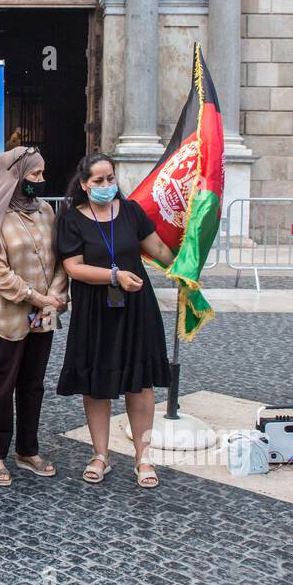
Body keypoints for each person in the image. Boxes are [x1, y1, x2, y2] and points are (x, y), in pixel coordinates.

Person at [54, 153, 175, 489]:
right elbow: (73, 267)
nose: (107, 185)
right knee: (96, 384)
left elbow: (161, 251)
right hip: (95, 309)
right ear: (84, 184)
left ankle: (143, 456)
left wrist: (191, 247)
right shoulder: (71, 219)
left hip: (136, 308)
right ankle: (100, 455)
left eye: (111, 178)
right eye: (99, 180)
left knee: (141, 384)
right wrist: (114, 275)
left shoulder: (132, 212)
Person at [0, 146, 68, 487]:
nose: (41, 180)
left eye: (42, 173)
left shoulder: (47, 211)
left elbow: (61, 260)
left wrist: (55, 298)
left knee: (33, 384)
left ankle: (28, 450)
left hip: (44, 316)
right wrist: (36, 298)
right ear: (17, 177)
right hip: (8, 316)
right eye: (35, 174)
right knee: (3, 385)